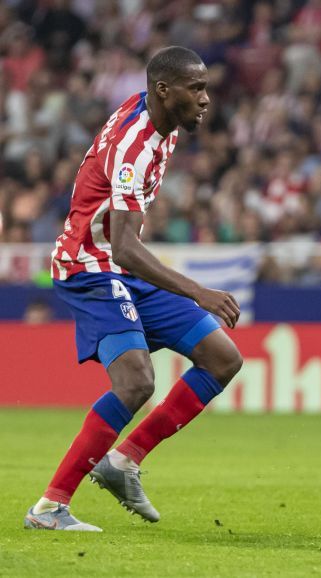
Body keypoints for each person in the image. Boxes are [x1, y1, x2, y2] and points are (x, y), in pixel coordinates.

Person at [24, 47, 243, 532]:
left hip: (122, 268)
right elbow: (122, 246)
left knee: (223, 358)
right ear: (164, 91)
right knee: (136, 382)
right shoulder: (137, 146)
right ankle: (49, 508)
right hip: (90, 268)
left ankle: (123, 462)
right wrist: (197, 291)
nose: (206, 99)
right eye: (197, 88)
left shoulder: (158, 121)